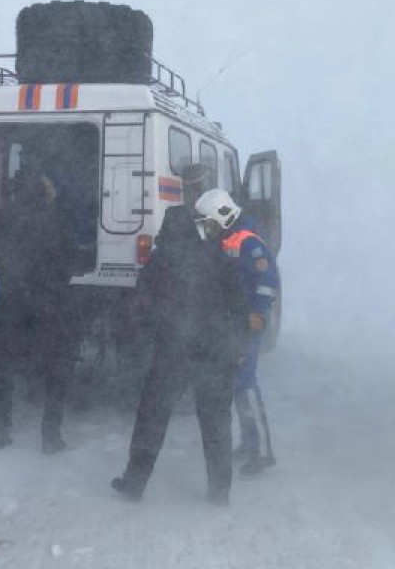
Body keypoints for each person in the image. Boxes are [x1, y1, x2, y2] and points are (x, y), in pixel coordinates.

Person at [111, 187, 249, 505]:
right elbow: (238, 306)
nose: (223, 232)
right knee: (202, 422)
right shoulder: (206, 257)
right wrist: (236, 346)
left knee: (157, 417)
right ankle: (216, 493)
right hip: (198, 351)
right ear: (206, 222)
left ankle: (138, 484)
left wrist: (146, 333)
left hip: (184, 351)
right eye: (219, 225)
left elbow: (141, 301)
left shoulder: (171, 254)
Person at [0, 167, 78, 453]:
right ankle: (50, 435)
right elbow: (69, 259)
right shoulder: (56, 219)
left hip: (10, 299)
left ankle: (0, 429)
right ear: (44, 192)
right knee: (56, 367)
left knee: (3, 365)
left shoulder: (3, 217)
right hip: (48, 300)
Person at [194, 189, 281, 475]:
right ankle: (249, 443)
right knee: (237, 385)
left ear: (222, 215)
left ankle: (262, 451)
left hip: (247, 322)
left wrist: (258, 312)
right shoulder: (226, 238)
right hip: (234, 321)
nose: (206, 228)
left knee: (246, 384)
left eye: (208, 222)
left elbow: (268, 280)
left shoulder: (248, 242)